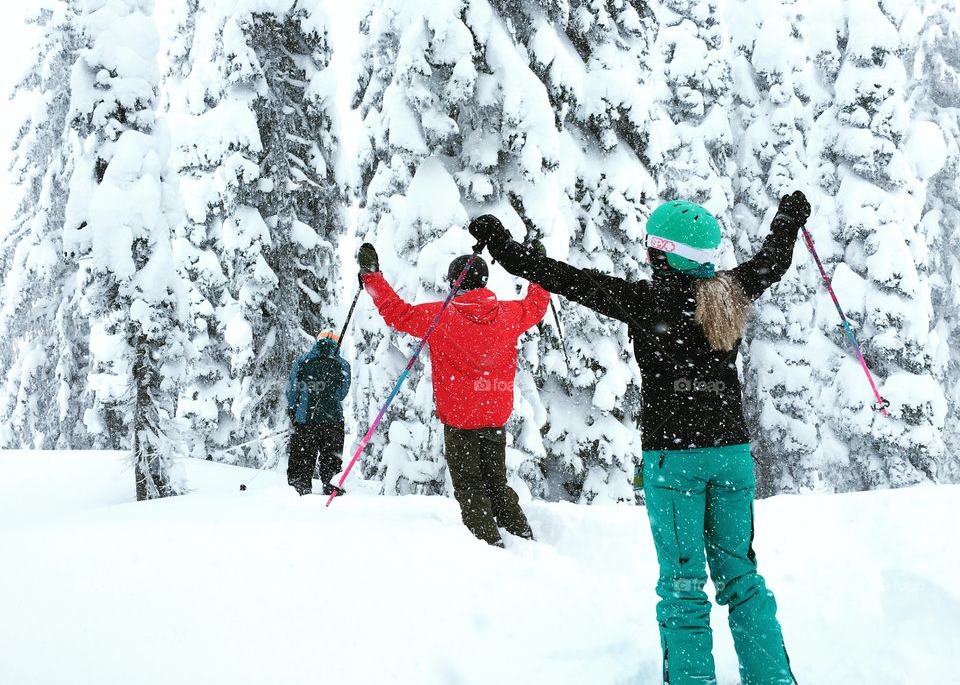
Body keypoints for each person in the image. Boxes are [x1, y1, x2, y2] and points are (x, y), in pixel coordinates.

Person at [469, 192, 810, 685]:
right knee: (742, 579)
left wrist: (502, 245)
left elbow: (566, 278)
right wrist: (788, 219)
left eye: (653, 248)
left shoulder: (647, 301)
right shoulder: (731, 291)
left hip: (675, 462)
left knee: (683, 587)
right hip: (732, 456)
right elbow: (772, 261)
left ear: (665, 255)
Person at [357, 243, 550, 548]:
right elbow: (536, 305)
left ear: (453, 284)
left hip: (460, 420)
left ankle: (489, 546)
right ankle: (522, 537)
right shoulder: (508, 314)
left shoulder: (441, 316)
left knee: (470, 486)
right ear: (483, 282)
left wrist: (372, 277)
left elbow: (397, 313)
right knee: (496, 484)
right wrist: (538, 267)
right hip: (494, 415)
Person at [286, 330, 351, 496]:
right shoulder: (342, 365)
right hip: (333, 419)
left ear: (318, 341)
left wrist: (293, 409)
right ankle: (331, 487)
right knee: (331, 458)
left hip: (306, 418)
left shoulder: (303, 360)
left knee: (302, 457)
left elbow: (292, 388)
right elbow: (342, 393)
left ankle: (299, 489)